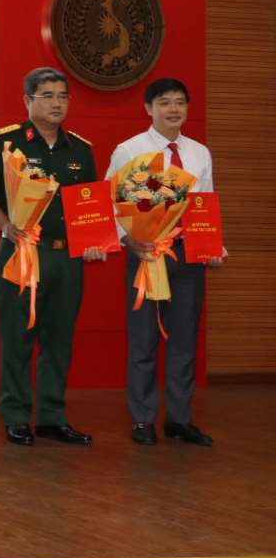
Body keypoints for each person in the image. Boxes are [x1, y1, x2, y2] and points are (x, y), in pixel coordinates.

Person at [0, 66, 100, 447]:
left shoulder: (80, 148)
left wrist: (95, 238)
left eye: (62, 96)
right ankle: (15, 416)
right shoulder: (6, 143)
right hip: (22, 253)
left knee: (59, 339)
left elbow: (89, 204)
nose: (57, 103)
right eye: (47, 96)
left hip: (66, 259)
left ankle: (51, 416)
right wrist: (5, 225)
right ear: (27, 100)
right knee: (17, 337)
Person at [108, 77, 223, 447]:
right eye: (164, 103)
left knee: (184, 341)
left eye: (179, 103)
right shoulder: (129, 150)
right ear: (148, 108)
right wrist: (128, 241)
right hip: (145, 256)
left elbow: (204, 204)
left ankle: (179, 419)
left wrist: (212, 245)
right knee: (142, 341)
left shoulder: (199, 152)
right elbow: (109, 203)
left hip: (187, 257)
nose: (173, 109)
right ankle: (143, 419)